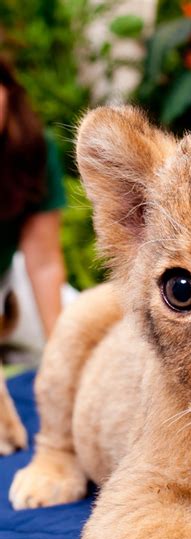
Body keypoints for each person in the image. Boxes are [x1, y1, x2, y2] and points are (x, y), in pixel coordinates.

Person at [0, 57, 75, 361]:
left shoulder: (33, 149)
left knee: (75, 324)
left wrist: (60, 357)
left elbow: (43, 264)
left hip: (7, 281)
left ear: (8, 92)